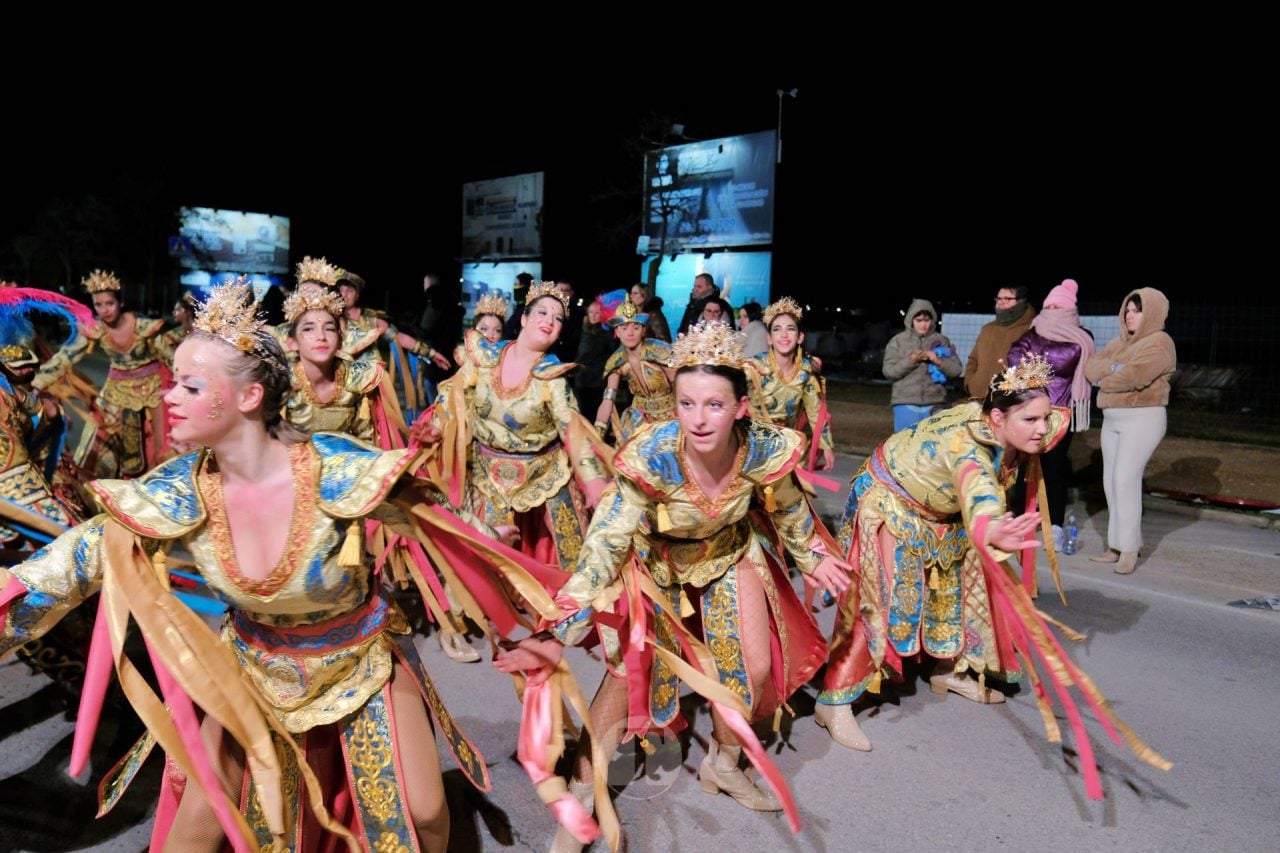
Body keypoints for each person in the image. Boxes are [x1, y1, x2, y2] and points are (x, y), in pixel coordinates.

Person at [0, 279, 558, 852]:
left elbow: (443, 520)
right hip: (254, 670)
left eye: (190, 385)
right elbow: (71, 562)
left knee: (422, 814)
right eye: (174, 382)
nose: (169, 397)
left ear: (247, 397)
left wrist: (510, 597)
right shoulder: (181, 489)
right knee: (192, 831)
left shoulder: (334, 469)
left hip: (357, 666)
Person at [496, 320, 851, 850]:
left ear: (741, 407)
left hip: (729, 552)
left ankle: (723, 763)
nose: (699, 419)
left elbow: (794, 512)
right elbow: (606, 542)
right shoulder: (654, 455)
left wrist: (814, 555)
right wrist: (560, 625)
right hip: (654, 565)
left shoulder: (762, 449)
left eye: (713, 405)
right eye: (686, 404)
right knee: (626, 677)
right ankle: (583, 790)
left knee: (751, 668)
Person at [814, 356, 1171, 798]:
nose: (1041, 428)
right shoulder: (972, 452)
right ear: (997, 418)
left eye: (1043, 417)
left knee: (963, 588)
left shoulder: (1009, 417)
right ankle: (833, 700)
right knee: (878, 602)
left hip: (944, 510)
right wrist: (992, 528)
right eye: (1030, 419)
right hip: (891, 499)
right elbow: (980, 491)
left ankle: (949, 667)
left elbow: (1055, 418)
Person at [429, 281, 609, 575]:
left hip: (546, 473)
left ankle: (568, 611)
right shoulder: (484, 360)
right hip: (489, 474)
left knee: (574, 554)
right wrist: (436, 430)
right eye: (542, 312)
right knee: (483, 554)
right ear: (523, 319)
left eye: (558, 318)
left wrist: (592, 480)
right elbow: (453, 396)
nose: (549, 321)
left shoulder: (553, 378)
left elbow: (572, 430)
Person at [32, 269, 172, 478]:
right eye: (98, 305)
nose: (105, 310)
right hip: (116, 393)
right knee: (104, 446)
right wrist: (35, 383)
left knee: (159, 446)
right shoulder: (95, 329)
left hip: (152, 393)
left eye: (110, 303)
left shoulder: (145, 327)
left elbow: (172, 359)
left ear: (120, 303)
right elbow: (65, 358)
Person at [1084, 288, 1176, 575]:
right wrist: (1113, 367)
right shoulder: (1119, 342)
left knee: (1125, 479)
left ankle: (1129, 550)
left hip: (1143, 418)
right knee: (1111, 482)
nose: (1129, 314)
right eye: (1128, 309)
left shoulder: (1160, 342)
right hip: (1113, 419)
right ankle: (1116, 545)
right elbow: (1090, 368)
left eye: (1137, 310)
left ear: (1153, 313)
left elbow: (1135, 376)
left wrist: (1108, 376)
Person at [1007, 279, 1096, 547]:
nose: (1052, 309)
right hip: (1030, 411)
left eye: (1059, 305)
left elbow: (1067, 357)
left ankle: (1054, 525)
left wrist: (1036, 358)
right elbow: (1014, 356)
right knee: (1023, 468)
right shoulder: (1033, 331)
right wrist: (1034, 359)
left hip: (1060, 415)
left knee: (1054, 470)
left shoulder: (1082, 336)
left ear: (1069, 309)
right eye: (1049, 305)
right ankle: (1021, 519)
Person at [744, 298, 835, 472]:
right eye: (777, 329)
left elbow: (815, 411)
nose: (784, 335)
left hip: (788, 447)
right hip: (753, 448)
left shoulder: (805, 371)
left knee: (790, 497)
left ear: (800, 337)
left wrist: (827, 446)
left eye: (790, 329)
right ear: (769, 338)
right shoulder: (753, 367)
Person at [592, 298, 673, 442]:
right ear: (617, 331)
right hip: (639, 417)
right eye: (624, 328)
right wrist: (597, 435)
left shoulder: (660, 351)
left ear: (643, 330)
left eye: (636, 328)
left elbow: (680, 386)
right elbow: (608, 400)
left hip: (671, 415)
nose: (630, 333)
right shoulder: (616, 361)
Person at [882, 298, 962, 431]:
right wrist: (911, 361)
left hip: (935, 404)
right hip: (905, 402)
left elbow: (956, 370)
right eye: (919, 320)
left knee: (933, 447)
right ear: (911, 320)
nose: (923, 325)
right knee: (905, 447)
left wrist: (938, 361)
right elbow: (889, 372)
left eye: (927, 320)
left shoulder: (941, 341)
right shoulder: (898, 341)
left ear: (933, 320)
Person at [964, 285, 1036, 399]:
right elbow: (973, 360)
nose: (1001, 302)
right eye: (999, 298)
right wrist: (970, 383)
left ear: (1021, 301)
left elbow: (1037, 367)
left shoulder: (1032, 329)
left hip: (1012, 402)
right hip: (978, 398)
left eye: (1007, 299)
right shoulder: (987, 329)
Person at [573, 296, 613, 427]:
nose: (594, 315)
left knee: (596, 412)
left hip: (597, 379)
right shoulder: (582, 329)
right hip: (581, 378)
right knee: (582, 411)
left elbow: (612, 351)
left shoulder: (606, 331)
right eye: (591, 312)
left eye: (597, 312)